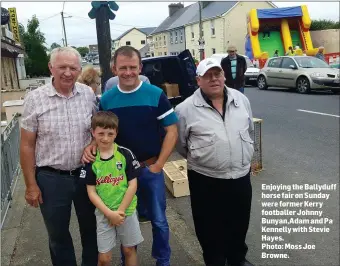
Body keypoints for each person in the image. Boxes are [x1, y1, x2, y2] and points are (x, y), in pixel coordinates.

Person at [82, 46, 178, 266]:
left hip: (150, 168)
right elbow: (102, 130)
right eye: (122, 68)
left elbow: (172, 131)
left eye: (132, 67)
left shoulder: (155, 94)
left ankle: (163, 261)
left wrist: (160, 164)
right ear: (114, 69)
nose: (128, 72)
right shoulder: (107, 99)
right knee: (126, 217)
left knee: (160, 222)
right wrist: (91, 145)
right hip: (121, 174)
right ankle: (129, 260)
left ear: (140, 68)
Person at [20, 47, 98, 266]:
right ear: (51, 67)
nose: (67, 72)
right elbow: (26, 145)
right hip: (51, 178)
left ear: (79, 70)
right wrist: (31, 185)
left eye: (73, 68)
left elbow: (97, 130)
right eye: (62, 67)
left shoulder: (88, 95)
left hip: (86, 175)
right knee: (58, 236)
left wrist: (92, 143)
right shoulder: (35, 99)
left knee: (91, 230)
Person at [175, 58, 255, 266]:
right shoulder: (185, 109)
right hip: (205, 178)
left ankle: (237, 258)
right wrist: (207, 158)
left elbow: (249, 130)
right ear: (198, 80)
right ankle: (215, 260)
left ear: (224, 76)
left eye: (217, 74)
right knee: (209, 227)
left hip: (239, 174)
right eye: (207, 75)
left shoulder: (240, 99)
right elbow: (180, 144)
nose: (214, 79)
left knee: (239, 222)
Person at [84, 111, 144, 266]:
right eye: (101, 133)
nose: (105, 138)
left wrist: (120, 212)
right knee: (104, 258)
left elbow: (133, 185)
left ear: (116, 133)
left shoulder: (125, 154)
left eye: (110, 133)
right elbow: (91, 191)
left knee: (129, 250)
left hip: (126, 212)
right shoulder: (91, 159)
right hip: (104, 213)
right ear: (93, 132)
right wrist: (110, 214)